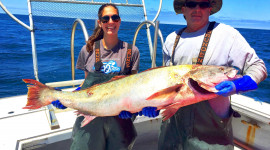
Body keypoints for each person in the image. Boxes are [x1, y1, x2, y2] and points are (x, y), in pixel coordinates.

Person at [156, 0, 268, 149]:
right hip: (173, 128)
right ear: (183, 9)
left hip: (211, 134)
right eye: (191, 4)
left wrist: (237, 85)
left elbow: (258, 67)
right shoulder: (171, 39)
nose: (197, 9)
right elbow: (167, 81)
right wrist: (153, 103)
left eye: (203, 4)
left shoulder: (226, 34)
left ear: (210, 9)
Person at [52, 4, 140, 150]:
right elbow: (87, 85)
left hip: (119, 119)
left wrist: (134, 109)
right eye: (106, 19)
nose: (110, 22)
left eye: (115, 17)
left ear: (119, 21)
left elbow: (133, 88)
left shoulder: (132, 51)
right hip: (90, 116)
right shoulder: (88, 49)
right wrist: (68, 97)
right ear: (100, 22)